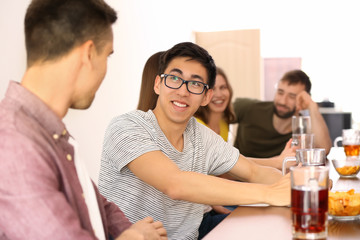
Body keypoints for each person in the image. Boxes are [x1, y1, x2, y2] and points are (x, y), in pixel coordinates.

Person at [0, 0, 167, 239]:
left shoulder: (45, 130)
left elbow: (94, 204)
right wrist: (133, 237)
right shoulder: (14, 143)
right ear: (88, 54)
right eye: (107, 56)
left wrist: (132, 231)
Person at [98, 42, 293, 240]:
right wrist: (269, 193)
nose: (183, 91)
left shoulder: (201, 135)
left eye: (195, 84)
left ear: (206, 96)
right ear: (158, 84)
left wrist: (305, 185)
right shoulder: (126, 127)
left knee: (272, 223)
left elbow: (253, 171)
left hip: (195, 233)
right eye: (174, 78)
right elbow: (175, 184)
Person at [233, 69, 332, 158]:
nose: (283, 101)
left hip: (279, 177)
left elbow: (324, 150)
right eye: (280, 92)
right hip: (237, 177)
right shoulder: (249, 108)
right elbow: (219, 114)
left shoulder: (303, 126)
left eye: (292, 96)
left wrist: (312, 106)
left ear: (302, 99)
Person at [194, 66, 235, 142]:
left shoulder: (223, 124)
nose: (218, 94)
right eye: (212, 89)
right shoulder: (196, 127)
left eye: (223, 87)